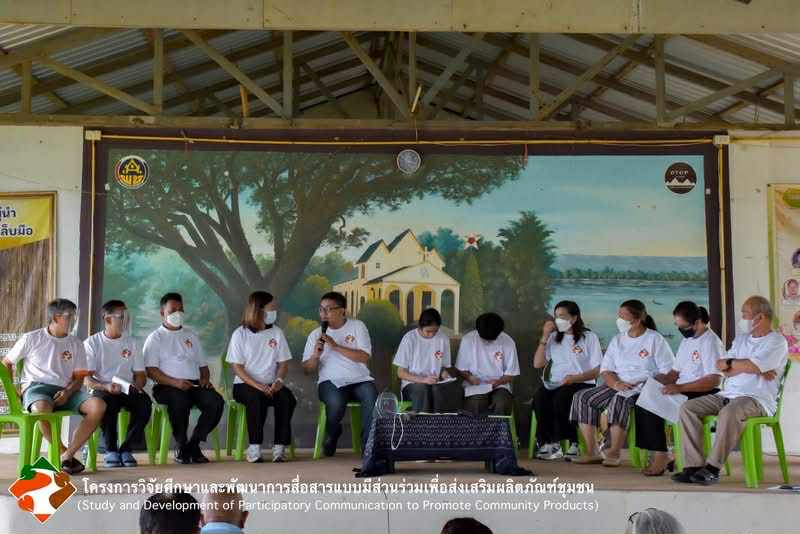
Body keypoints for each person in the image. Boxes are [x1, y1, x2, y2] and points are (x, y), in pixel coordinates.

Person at [673, 295, 788, 485]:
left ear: (760, 317)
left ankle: (712, 468)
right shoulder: (741, 339)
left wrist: (740, 365)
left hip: (756, 399)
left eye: (745, 314)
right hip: (727, 394)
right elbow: (721, 366)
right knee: (688, 408)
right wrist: (750, 366)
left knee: (729, 412)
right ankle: (693, 466)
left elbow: (750, 366)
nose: (742, 318)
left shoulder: (776, 341)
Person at [1, 298, 105, 475]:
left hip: (67, 390)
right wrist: (14, 392)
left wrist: (68, 392)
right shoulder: (32, 338)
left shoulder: (76, 343)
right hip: (36, 388)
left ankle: (68, 455)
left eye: (75, 316)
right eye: (70, 316)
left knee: (98, 406)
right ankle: (63, 452)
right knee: (41, 408)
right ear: (56, 317)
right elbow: (7, 363)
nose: (74, 320)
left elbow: (80, 377)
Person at [569, 300, 674, 467]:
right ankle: (592, 451)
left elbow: (668, 372)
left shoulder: (655, 339)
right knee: (582, 397)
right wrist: (616, 384)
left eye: (623, 317)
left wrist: (644, 383)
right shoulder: (617, 340)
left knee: (620, 399)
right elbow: (606, 370)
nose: (619, 320)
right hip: (617, 383)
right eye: (619, 316)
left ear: (637, 320)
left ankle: (614, 451)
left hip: (643, 387)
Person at [631, 301, 723, 476]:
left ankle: (661, 455)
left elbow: (713, 380)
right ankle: (658, 452)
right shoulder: (687, 341)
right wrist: (654, 380)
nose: (680, 330)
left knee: (652, 403)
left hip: (702, 391)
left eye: (683, 326)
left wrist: (679, 387)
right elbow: (674, 373)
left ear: (697, 322)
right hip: (683, 388)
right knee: (642, 398)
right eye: (677, 325)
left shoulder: (710, 342)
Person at [144, 293, 224, 464]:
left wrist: (204, 379)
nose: (178, 314)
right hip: (166, 386)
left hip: (193, 385)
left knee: (216, 401)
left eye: (181, 309)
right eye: (173, 310)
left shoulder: (191, 335)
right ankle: (181, 444)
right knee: (179, 400)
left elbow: (203, 367)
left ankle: (193, 444)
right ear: (162, 313)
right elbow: (151, 370)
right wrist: (175, 382)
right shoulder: (155, 338)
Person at [302, 291, 377, 457]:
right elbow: (307, 370)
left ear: (342, 311)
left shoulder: (358, 326)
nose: (323, 313)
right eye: (321, 309)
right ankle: (333, 432)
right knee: (336, 404)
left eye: (328, 309)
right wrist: (315, 356)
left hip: (359, 380)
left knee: (371, 396)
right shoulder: (315, 334)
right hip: (330, 382)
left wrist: (335, 346)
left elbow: (364, 356)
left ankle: (368, 447)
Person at [226, 291, 295, 463]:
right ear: (259, 310)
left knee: (286, 398)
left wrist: (278, 381)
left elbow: (283, 363)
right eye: (272, 308)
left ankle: (279, 447)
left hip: (271, 384)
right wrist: (258, 386)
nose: (274, 311)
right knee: (256, 399)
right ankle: (254, 448)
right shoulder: (240, 334)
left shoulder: (277, 332)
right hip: (244, 385)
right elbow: (237, 367)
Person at [85, 299, 153, 468]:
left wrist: (138, 386)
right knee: (108, 402)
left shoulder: (132, 342)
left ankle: (126, 448)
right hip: (103, 388)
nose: (126, 319)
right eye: (122, 316)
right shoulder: (92, 343)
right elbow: (87, 379)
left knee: (144, 403)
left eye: (127, 315)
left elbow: (140, 375)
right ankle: (110, 450)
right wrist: (105, 386)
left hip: (126, 388)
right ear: (108, 319)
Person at [532, 301, 602, 460]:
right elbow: (538, 363)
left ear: (574, 318)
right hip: (556, 383)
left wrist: (575, 378)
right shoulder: (553, 337)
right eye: (556, 316)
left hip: (581, 382)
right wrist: (544, 337)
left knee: (561, 399)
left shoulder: (589, 337)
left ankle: (573, 442)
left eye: (562, 316)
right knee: (540, 398)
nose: (558, 320)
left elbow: (597, 370)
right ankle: (550, 443)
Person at [456, 312, 520, 416]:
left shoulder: (508, 342)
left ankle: (499, 427)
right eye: (484, 339)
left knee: (502, 402)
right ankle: (475, 427)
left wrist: (498, 382)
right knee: (476, 402)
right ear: (478, 330)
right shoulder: (468, 340)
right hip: (474, 384)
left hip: (500, 385)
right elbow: (461, 368)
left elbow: (511, 374)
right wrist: (470, 377)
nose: (487, 342)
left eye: (491, 339)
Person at [393, 308, 453, 412]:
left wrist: (445, 375)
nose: (432, 334)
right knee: (422, 389)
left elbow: (442, 367)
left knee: (439, 390)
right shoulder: (409, 338)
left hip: (434, 383)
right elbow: (401, 373)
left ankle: (439, 422)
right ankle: (422, 422)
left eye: (435, 331)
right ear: (420, 327)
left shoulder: (443, 338)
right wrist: (423, 380)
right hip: (412, 384)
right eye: (428, 331)